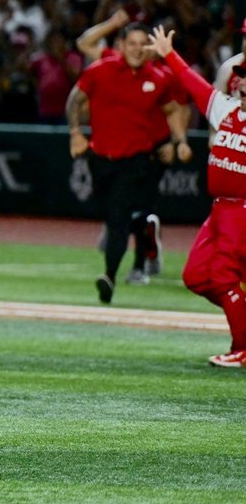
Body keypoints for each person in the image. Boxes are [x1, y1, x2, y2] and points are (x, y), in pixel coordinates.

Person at [145, 25, 246, 367]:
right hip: (220, 209)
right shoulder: (228, 110)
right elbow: (194, 85)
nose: (242, 82)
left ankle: (242, 347)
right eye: (242, 77)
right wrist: (169, 55)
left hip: (242, 211)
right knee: (196, 276)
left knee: (222, 276)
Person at [67, 24, 189, 304]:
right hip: (101, 159)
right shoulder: (100, 70)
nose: (136, 49)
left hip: (137, 160)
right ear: (120, 45)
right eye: (131, 43)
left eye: (141, 44)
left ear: (149, 48)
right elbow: (75, 99)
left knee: (119, 216)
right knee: (112, 215)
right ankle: (145, 235)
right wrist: (75, 133)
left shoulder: (159, 78)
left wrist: (178, 140)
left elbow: (173, 108)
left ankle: (110, 275)